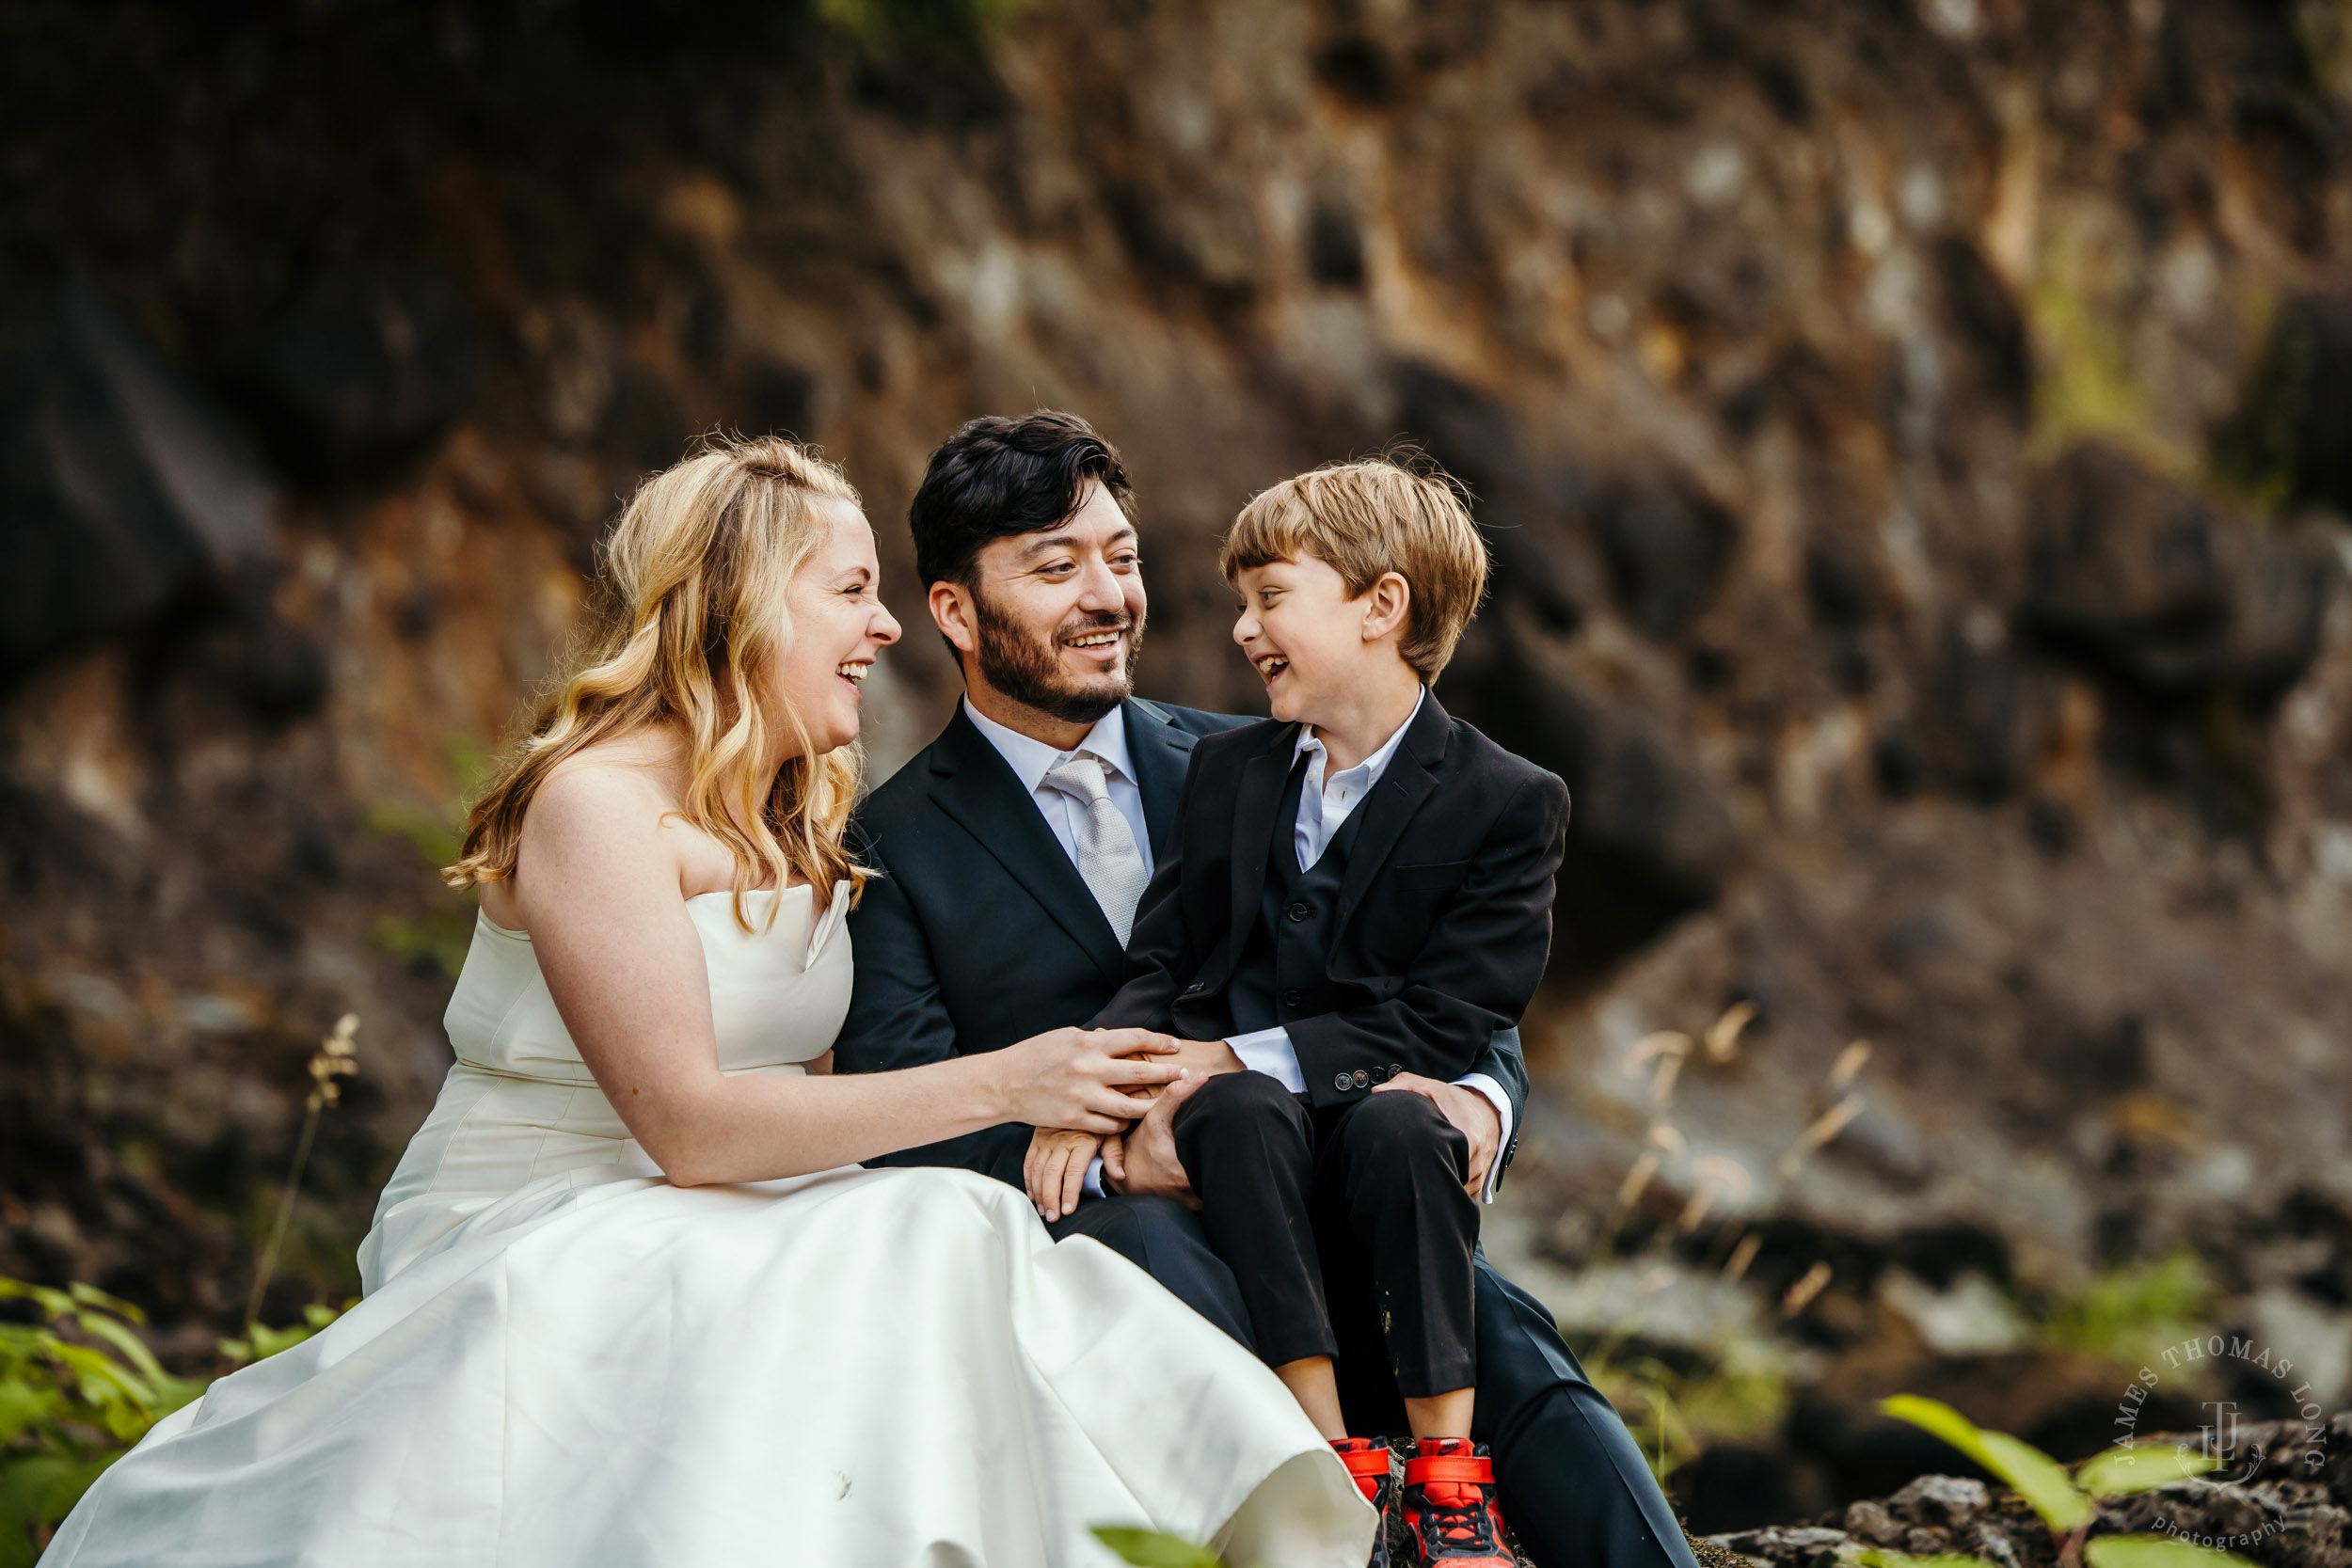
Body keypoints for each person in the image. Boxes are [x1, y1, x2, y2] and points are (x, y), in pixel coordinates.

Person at [44, 435, 1374, 1568]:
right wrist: (1010, 1081)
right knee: (931, 1228)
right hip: (552, 1204)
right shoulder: (591, 805)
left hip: (727, 1203)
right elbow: (683, 1122)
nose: (887, 625)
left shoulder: (800, 798)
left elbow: (823, 1080)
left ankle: (1251, 1510)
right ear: (744, 602)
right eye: (852, 590)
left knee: (940, 1232)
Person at [837, 412, 1703, 1568]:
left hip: (1328, 1189)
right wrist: (1110, 1151)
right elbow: (896, 1115)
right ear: (955, 611)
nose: (1108, 595)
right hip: (1109, 1253)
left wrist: (1480, 1102)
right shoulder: (888, 843)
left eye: (1123, 556)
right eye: (1057, 568)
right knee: (1192, 1267)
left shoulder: (1259, 754)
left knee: (1500, 1330)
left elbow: (1441, 987)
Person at [1076, 456, 1569, 1568]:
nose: (1245, 629)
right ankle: (1327, 1449)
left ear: (1380, 605)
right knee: (1239, 1109)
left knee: (1404, 1125)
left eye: (1270, 596)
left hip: (1378, 1120)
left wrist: (1230, 1052)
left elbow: (1456, 1012)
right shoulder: (1228, 769)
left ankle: (1449, 1474)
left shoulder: (1508, 798)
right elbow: (1163, 956)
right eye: (1243, 602)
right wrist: (1111, 1079)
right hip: (1249, 1135)